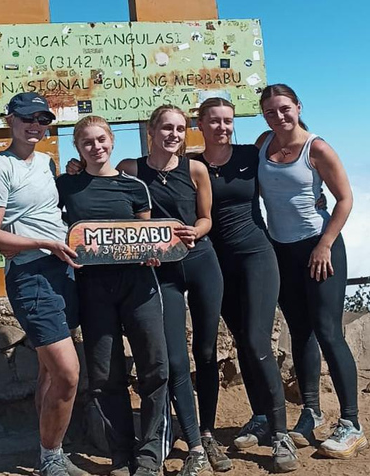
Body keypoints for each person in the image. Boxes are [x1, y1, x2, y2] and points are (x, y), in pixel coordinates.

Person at [113, 105, 231, 476]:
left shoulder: (195, 169)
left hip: (201, 264)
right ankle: (195, 444)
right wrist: (72, 171)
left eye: (180, 129)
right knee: (175, 360)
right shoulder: (131, 169)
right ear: (151, 130)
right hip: (160, 273)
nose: (174, 135)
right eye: (166, 128)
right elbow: (103, 187)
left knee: (207, 351)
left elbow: (206, 217)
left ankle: (208, 432)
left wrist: (196, 231)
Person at [0, 92, 87, 476]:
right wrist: (42, 242)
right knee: (68, 373)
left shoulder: (47, 161)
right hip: (31, 275)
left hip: (62, 270)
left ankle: (49, 454)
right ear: (10, 120)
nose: (36, 126)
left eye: (42, 119)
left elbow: (45, 209)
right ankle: (52, 456)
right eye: (28, 119)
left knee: (47, 371)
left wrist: (70, 174)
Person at [256, 84, 367, 459]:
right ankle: (311, 411)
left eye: (284, 109)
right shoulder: (263, 144)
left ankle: (351, 423)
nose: (279, 116)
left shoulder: (316, 148)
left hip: (321, 247)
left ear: (298, 107)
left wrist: (324, 244)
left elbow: (345, 199)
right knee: (299, 332)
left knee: (328, 331)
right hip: (281, 250)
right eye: (270, 112)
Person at [57, 116, 170, 476]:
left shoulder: (135, 187)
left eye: (101, 140)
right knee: (105, 376)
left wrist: (153, 251)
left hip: (139, 285)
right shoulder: (67, 186)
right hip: (93, 288)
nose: (96, 147)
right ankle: (122, 454)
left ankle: (151, 457)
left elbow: (147, 234)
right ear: (77, 147)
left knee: (155, 368)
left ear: (112, 141)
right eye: (87, 142)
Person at [193, 97, 298, 472]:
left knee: (256, 342)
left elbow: (290, 153)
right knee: (242, 341)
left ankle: (281, 434)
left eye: (228, 121)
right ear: (200, 124)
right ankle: (261, 417)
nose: (222, 127)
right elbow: (143, 174)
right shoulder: (191, 165)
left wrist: (314, 192)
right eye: (215, 121)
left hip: (256, 256)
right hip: (217, 265)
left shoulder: (250, 155)